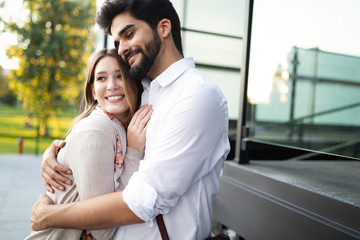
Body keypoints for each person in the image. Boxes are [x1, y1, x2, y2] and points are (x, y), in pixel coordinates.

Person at [31, 0, 230, 239]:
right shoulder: (143, 93)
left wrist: (48, 216)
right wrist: (59, 151)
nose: (121, 48)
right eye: (117, 41)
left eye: (129, 34)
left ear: (163, 28)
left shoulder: (196, 95)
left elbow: (144, 200)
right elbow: (103, 144)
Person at [25, 48, 152, 240]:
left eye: (120, 76)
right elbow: (102, 230)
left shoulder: (118, 128)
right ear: (93, 91)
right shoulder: (97, 129)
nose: (112, 85)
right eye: (101, 78)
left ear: (133, 84)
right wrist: (133, 153)